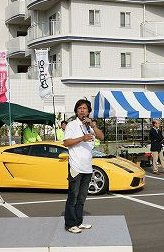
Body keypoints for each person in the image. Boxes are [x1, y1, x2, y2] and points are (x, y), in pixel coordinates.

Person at [63, 99, 104, 234]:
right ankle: (70, 224)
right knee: (73, 196)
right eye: (80, 108)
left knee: (81, 198)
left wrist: (93, 125)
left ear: (88, 111)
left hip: (87, 167)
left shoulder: (90, 126)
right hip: (75, 167)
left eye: (85, 108)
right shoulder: (71, 125)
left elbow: (101, 137)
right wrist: (82, 138)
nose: (82, 110)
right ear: (76, 111)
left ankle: (78, 222)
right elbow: (66, 143)